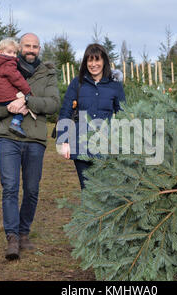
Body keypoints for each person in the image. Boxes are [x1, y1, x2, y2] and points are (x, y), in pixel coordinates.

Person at [0, 33, 60, 260]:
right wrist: (9, 109)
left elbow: (53, 104)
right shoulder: (4, 67)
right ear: (20, 47)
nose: (31, 49)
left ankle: (24, 232)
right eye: (27, 45)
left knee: (32, 189)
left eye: (35, 46)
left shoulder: (47, 73)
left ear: (39, 48)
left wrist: (27, 101)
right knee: (10, 187)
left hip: (35, 139)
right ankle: (12, 237)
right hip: (8, 138)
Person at [56, 43, 126, 190]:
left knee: (105, 190)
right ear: (85, 63)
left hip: (106, 145)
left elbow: (123, 114)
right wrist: (64, 141)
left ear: (104, 62)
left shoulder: (115, 86)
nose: (93, 64)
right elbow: (65, 112)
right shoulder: (78, 83)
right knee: (87, 189)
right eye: (90, 60)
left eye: (97, 60)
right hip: (81, 144)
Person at [0, 37, 32, 143]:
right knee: (22, 105)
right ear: (1, 52)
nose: (13, 55)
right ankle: (15, 123)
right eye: (10, 52)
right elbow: (17, 79)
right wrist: (27, 91)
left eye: (15, 53)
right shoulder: (9, 63)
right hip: (7, 95)